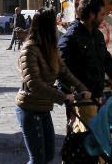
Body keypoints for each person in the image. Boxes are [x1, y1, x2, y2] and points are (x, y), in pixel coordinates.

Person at [16, 9, 86, 164]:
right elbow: (34, 84)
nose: (56, 27)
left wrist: (82, 88)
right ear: (46, 27)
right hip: (29, 107)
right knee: (37, 159)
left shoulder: (49, 48)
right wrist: (63, 97)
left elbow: (64, 72)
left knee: (48, 155)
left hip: (43, 107)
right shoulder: (29, 49)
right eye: (54, 24)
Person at [58, 0, 112, 101]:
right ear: (92, 15)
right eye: (102, 14)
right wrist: (68, 100)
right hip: (82, 98)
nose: (103, 18)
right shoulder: (71, 36)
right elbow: (62, 70)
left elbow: (107, 62)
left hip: (98, 96)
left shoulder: (97, 35)